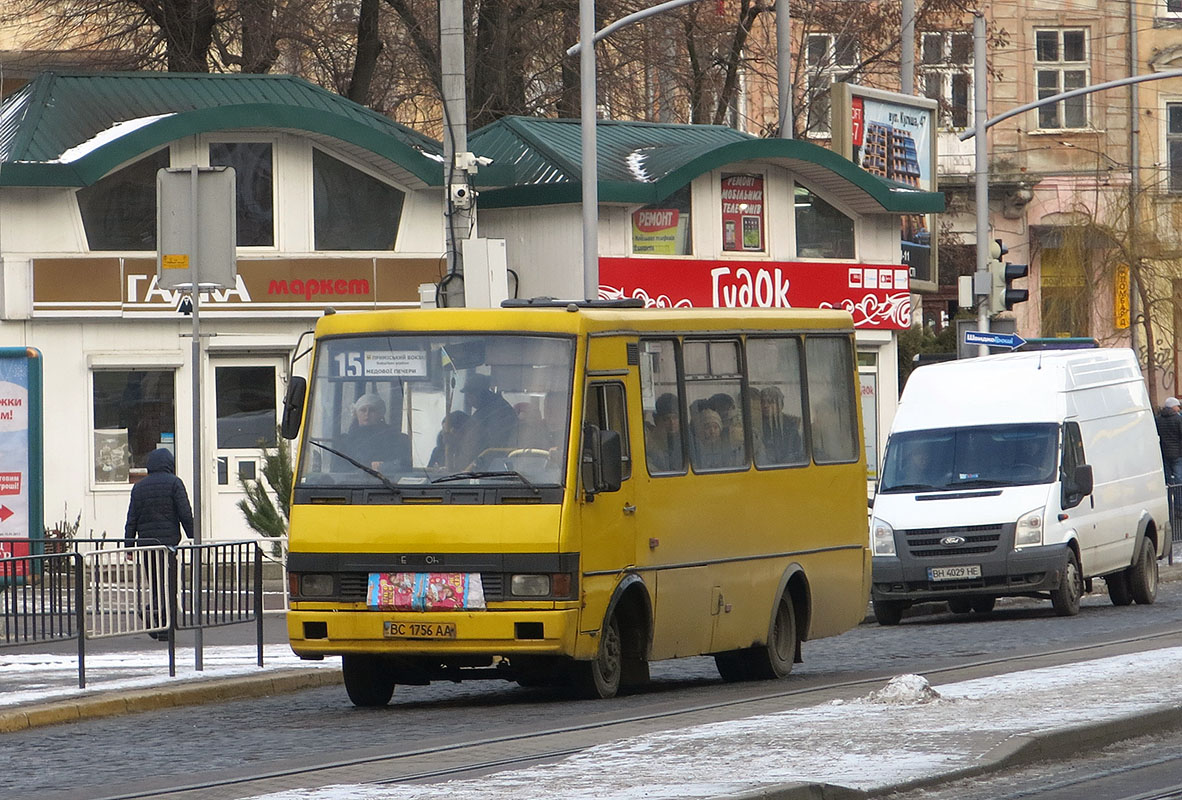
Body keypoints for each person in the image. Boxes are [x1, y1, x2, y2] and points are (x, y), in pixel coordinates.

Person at [124, 448, 194, 641]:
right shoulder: (174, 483)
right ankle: (162, 624)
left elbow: (132, 518)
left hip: (147, 546)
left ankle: (155, 617)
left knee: (155, 584)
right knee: (169, 585)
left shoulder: (139, 487)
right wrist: (194, 537)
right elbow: (185, 513)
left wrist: (129, 546)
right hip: (168, 546)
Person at [340, 392, 410, 472]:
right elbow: (338, 470)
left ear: (381, 413)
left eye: (372, 410)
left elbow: (404, 467)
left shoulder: (397, 439)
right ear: (356, 414)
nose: (367, 414)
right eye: (363, 410)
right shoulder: (344, 442)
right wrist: (368, 466)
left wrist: (385, 466)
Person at [460, 372, 518, 461]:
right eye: (467, 394)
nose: (468, 398)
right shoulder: (497, 406)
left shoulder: (493, 412)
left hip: (492, 464)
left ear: (482, 392)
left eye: (471, 393)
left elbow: (473, 442)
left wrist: (455, 441)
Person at [760, 386, 804, 464]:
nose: (765, 405)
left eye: (770, 402)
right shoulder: (757, 423)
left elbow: (798, 450)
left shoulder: (791, 425)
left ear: (780, 405)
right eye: (762, 402)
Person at [645, 392, 683, 472]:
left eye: (675, 418)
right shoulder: (650, 441)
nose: (672, 422)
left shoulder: (687, 439)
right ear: (657, 421)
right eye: (666, 419)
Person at [1157, 396, 1182, 484]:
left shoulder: (1159, 419)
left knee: (1168, 477)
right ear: (1173, 407)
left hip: (1164, 452)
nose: (1179, 408)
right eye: (1178, 406)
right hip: (1177, 453)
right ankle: (1178, 496)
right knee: (1179, 476)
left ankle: (1170, 495)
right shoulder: (1178, 419)